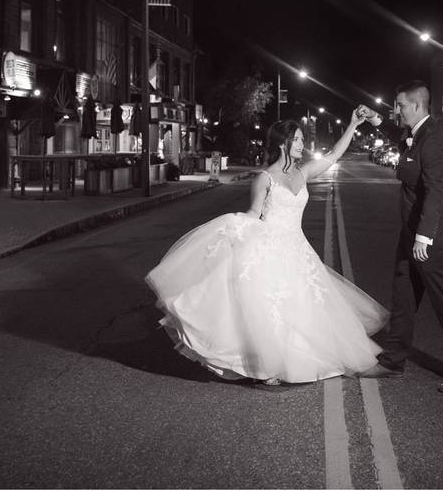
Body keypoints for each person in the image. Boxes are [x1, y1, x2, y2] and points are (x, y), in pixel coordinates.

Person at [145, 109, 388, 387]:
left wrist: (353, 124)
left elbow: (333, 155)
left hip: (298, 249)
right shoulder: (265, 178)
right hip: (268, 249)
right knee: (269, 310)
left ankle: (298, 360)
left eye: (300, 139)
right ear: (283, 143)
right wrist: (231, 229)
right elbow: (254, 213)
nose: (301, 144)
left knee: (301, 308)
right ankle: (268, 366)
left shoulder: (303, 172)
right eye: (296, 140)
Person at [356, 80, 443, 394]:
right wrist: (374, 119)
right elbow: (399, 136)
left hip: (432, 240)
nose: (396, 110)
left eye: (399, 105)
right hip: (412, 235)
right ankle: (392, 361)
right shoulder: (416, 134)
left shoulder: (435, 139)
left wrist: (424, 238)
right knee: (403, 299)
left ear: (415, 105)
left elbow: (438, 191)